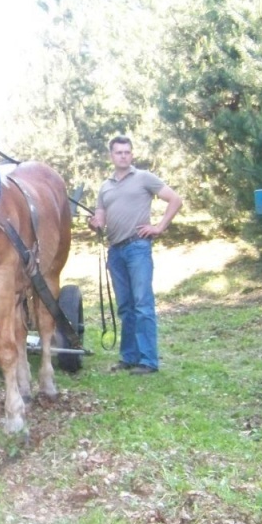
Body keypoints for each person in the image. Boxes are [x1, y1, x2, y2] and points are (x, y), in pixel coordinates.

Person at [88, 135, 182, 375]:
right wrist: (95, 223)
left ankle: (149, 360)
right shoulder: (105, 187)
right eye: (119, 152)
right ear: (111, 155)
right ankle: (129, 357)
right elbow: (100, 218)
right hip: (115, 251)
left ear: (132, 155)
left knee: (142, 304)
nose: (123, 156)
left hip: (137, 247)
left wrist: (159, 227)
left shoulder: (144, 178)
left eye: (127, 152)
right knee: (126, 307)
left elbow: (175, 199)